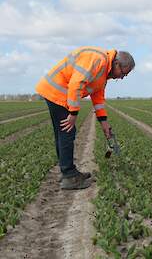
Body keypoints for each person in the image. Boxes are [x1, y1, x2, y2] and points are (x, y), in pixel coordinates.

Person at [36, 47, 135, 189]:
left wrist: (104, 123)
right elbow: (76, 84)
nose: (122, 77)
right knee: (67, 131)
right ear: (117, 64)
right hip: (57, 92)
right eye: (123, 73)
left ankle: (68, 172)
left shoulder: (104, 72)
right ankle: (69, 176)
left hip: (57, 92)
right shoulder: (98, 60)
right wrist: (73, 113)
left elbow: (98, 97)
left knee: (63, 132)